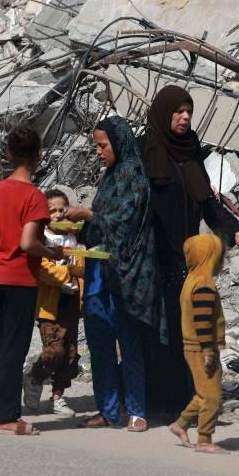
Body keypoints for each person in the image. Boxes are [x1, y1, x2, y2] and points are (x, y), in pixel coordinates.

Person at [140, 86, 239, 416]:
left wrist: (234, 231)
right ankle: (151, 398)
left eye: (188, 111)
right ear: (164, 113)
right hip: (153, 256)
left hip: (185, 258)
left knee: (182, 327)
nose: (185, 117)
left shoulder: (190, 151)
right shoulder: (145, 150)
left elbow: (207, 203)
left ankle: (179, 398)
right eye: (178, 111)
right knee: (156, 327)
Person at [65, 116, 158, 431]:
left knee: (129, 345)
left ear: (118, 143)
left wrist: (89, 214)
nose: (99, 152)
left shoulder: (135, 179)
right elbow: (101, 225)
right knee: (99, 343)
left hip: (126, 276)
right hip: (97, 274)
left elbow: (125, 222)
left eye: (103, 145)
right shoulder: (107, 180)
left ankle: (136, 408)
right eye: (96, 145)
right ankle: (108, 409)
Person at [0, 126, 65, 435]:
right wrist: (51, 252)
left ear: (11, 155)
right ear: (38, 155)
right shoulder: (34, 196)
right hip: (19, 278)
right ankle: (5, 417)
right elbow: (28, 242)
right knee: (13, 349)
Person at [23, 189, 83, 417]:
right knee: (54, 350)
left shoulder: (71, 236)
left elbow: (81, 265)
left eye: (62, 210)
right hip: (49, 304)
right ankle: (35, 376)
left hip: (71, 301)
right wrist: (66, 273)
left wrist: (75, 267)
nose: (57, 215)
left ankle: (58, 396)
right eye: (52, 211)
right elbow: (42, 269)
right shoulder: (42, 239)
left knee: (69, 353)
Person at [169, 234, 227, 454]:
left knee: (204, 391)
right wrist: (208, 351)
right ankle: (204, 439)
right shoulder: (204, 284)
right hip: (202, 347)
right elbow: (202, 321)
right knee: (212, 395)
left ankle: (180, 424)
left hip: (192, 346)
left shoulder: (191, 279)